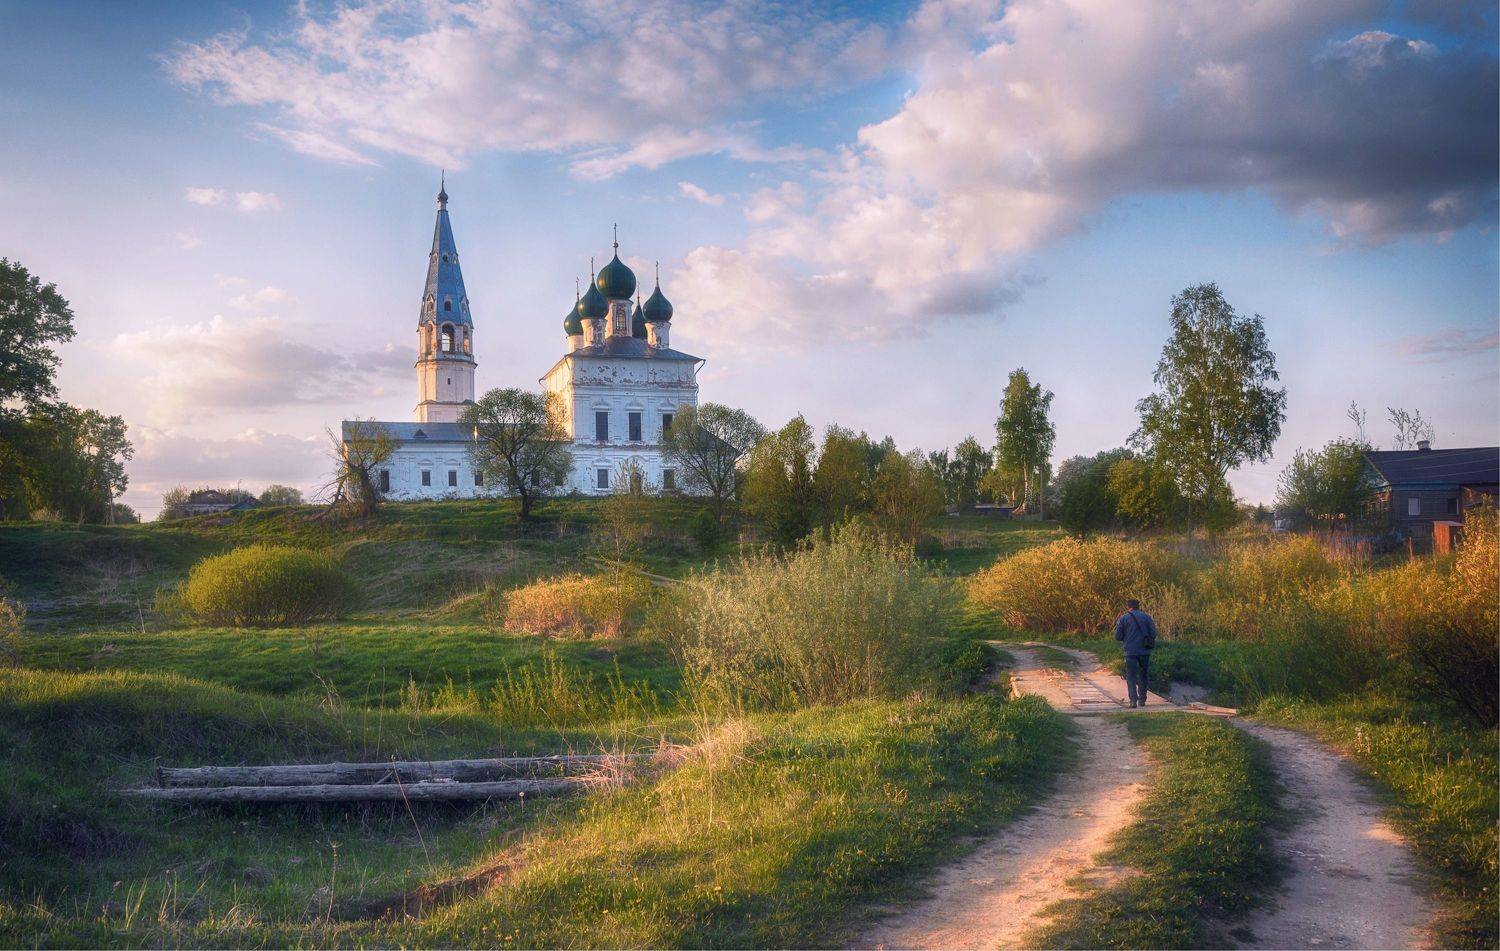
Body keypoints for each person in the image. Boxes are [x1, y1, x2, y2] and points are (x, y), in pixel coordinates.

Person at [1114, 598, 1158, 708]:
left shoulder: (1123, 618)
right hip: (1144, 651)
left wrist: (1127, 637)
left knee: (1131, 676)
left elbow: (1118, 636)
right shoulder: (1147, 617)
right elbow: (1153, 633)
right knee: (1143, 675)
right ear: (1138, 606)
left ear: (1128, 606)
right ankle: (1142, 700)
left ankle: (1133, 701)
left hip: (1130, 652)